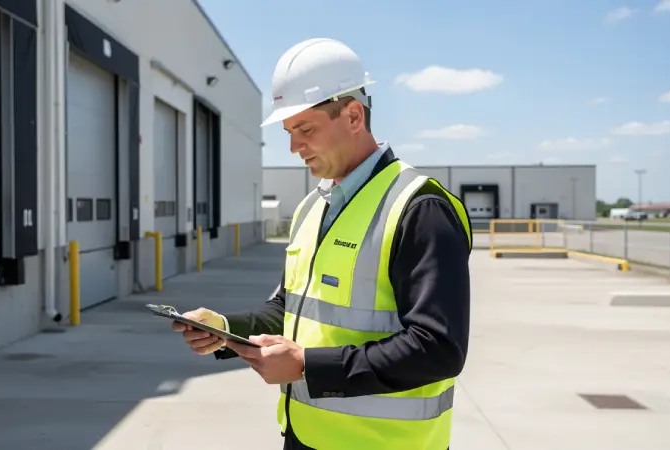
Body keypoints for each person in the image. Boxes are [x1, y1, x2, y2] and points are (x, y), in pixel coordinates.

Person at [172, 37, 472, 450]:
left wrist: (308, 366)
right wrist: (225, 330)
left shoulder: (420, 208)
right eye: (289, 132)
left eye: (305, 129)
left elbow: (438, 348)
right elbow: (290, 309)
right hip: (305, 437)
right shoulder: (313, 208)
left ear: (353, 116)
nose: (294, 147)